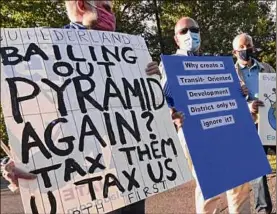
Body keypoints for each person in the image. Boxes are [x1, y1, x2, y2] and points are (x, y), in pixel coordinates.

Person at [1, 1, 182, 214]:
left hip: (131, 173)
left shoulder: (127, 53)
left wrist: (156, 104)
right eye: (107, 7)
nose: (111, 15)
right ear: (81, 5)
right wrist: (18, 161)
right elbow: (32, 115)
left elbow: (131, 113)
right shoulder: (42, 51)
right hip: (84, 181)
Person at [147, 16, 251, 214]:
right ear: (176, 39)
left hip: (227, 128)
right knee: (210, 188)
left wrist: (240, 92)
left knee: (239, 182)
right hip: (196, 133)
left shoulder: (215, 64)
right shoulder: (167, 66)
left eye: (194, 30)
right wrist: (171, 113)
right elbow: (160, 102)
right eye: (183, 31)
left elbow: (229, 98)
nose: (190, 34)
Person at [232, 33, 274, 214]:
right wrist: (248, 106)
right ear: (235, 52)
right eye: (241, 47)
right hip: (251, 125)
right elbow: (229, 103)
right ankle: (263, 210)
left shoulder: (267, 68)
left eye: (248, 45)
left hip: (272, 121)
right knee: (258, 171)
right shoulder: (230, 74)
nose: (245, 49)